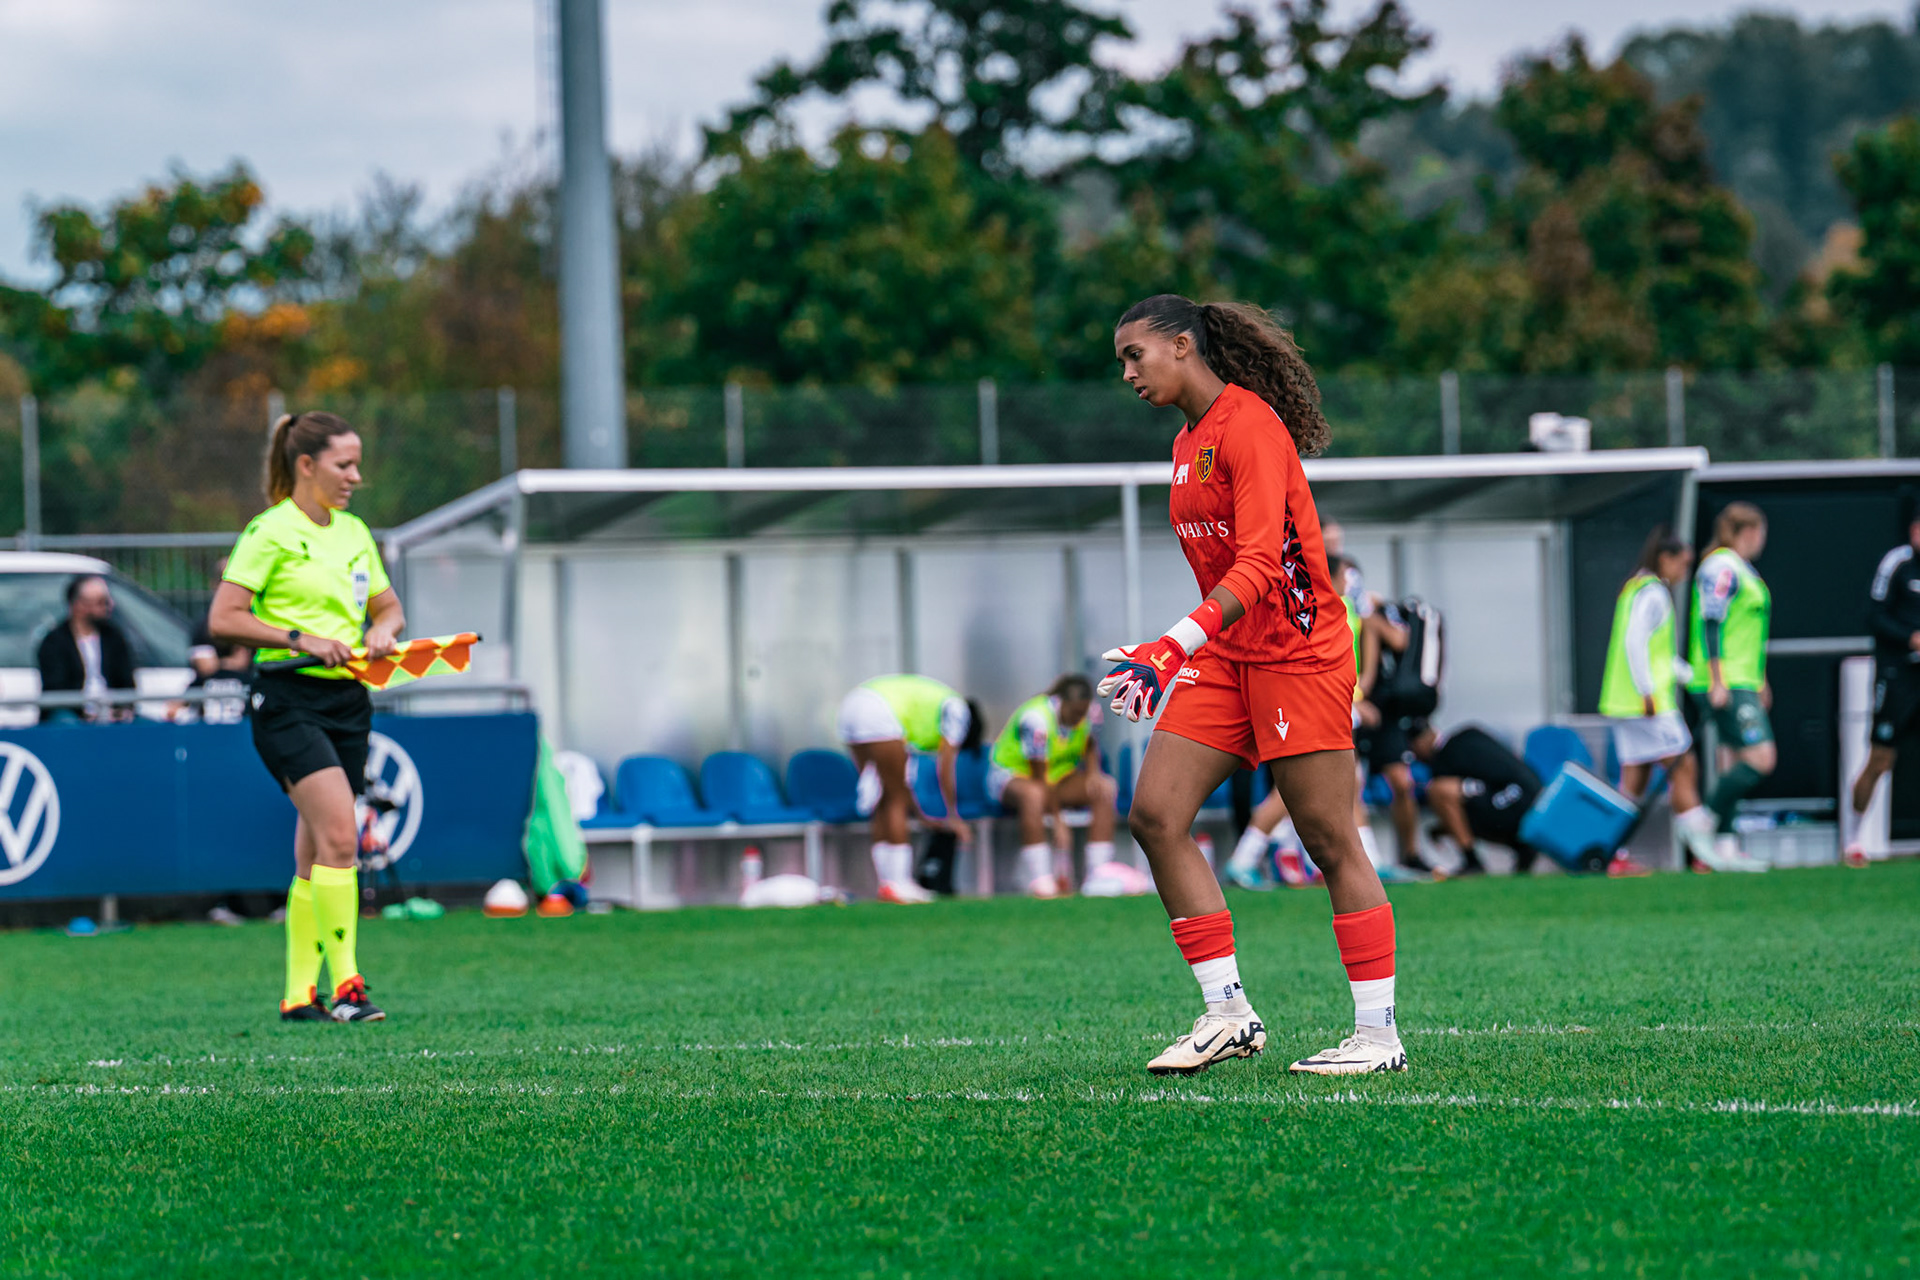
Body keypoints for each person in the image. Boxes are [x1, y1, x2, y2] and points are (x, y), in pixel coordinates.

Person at [1101, 294, 1405, 1077]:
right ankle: (1227, 1013)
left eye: (1136, 355)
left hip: (1298, 652)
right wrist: (1179, 649)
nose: (1128, 372)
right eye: (1122, 362)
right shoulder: (1185, 443)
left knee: (1329, 839)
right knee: (1155, 815)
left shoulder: (1251, 427)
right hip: (1227, 656)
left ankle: (1378, 1036)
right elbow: (1222, 572)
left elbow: (1265, 567)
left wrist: (1172, 645)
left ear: (1181, 345)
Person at [209, 411, 402, 1023]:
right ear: (307, 465)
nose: (356, 476)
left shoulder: (354, 533)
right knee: (342, 838)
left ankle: (298, 995)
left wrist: (382, 631)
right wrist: (301, 638)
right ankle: (347, 987)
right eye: (346, 465)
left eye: (357, 463)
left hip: (348, 701)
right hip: (287, 700)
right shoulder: (267, 531)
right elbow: (225, 617)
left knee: (316, 850)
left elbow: (390, 608)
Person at [1598, 527, 1713, 874]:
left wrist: (1693, 677)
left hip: (1623, 703)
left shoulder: (1634, 587)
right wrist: (1647, 691)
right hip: (1647, 704)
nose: (1685, 572)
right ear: (1666, 559)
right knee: (1683, 766)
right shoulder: (1654, 593)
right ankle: (1703, 853)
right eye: (1683, 563)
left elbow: (1657, 654)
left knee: (1633, 780)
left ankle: (1611, 853)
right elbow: (1636, 642)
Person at [836, 673, 980, 904]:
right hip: (879, 712)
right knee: (894, 799)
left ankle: (888, 884)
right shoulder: (958, 711)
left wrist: (921, 815)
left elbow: (904, 783)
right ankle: (900, 882)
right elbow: (946, 768)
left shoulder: (928, 712)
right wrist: (953, 815)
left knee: (883, 797)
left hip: (852, 708)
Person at [1684, 503, 1772, 873]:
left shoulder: (1741, 569)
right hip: (1725, 681)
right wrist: (1719, 680)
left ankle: (1725, 844)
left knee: (1733, 760)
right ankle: (1703, 820)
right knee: (1761, 759)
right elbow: (1711, 621)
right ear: (1748, 532)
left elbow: (1750, 631)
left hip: (1744, 679)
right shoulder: (1721, 566)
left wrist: (1761, 679)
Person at [987, 674, 1118, 897]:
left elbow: (1090, 743)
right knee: (1033, 795)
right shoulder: (1036, 719)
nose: (1079, 719)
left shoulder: (1091, 712)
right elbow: (1041, 779)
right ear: (1061, 703)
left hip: (1058, 776)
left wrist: (1094, 773)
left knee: (1105, 788)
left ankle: (1099, 874)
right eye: (1075, 713)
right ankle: (1041, 879)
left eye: (1083, 714)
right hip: (1013, 777)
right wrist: (1058, 821)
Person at [1845, 510, 1920, 867]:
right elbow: (1873, 616)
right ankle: (1855, 840)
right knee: (1880, 757)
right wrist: (1911, 639)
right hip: (1898, 674)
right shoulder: (1897, 564)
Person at [1408, 722, 1543, 875]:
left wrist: (1444, 828)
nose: (1415, 756)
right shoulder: (1469, 734)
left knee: (1439, 791)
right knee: (1460, 802)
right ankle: (1522, 847)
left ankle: (1472, 861)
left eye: (1413, 747)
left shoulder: (1445, 757)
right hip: (1538, 801)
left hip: (1516, 804)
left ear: (1423, 739)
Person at [36, 574, 136, 723]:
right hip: (73, 713)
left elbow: (126, 681)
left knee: (148, 725)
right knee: (66, 723)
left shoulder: (114, 637)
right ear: (79, 605)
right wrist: (85, 713)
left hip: (111, 711)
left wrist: (121, 708)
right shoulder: (54, 641)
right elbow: (56, 688)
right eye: (101, 602)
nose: (109, 607)